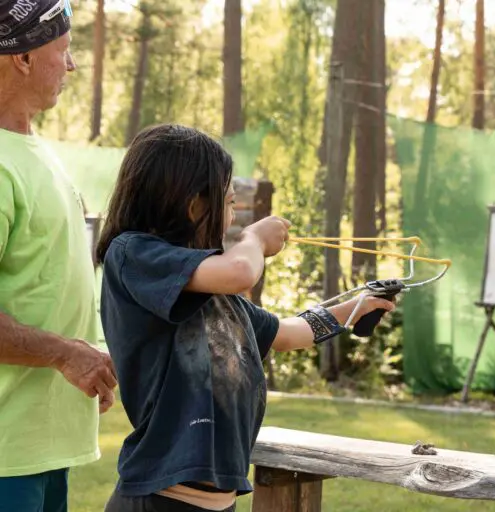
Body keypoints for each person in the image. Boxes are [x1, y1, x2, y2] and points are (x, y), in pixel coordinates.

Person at [96, 123, 395, 512]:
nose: (233, 214)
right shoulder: (133, 255)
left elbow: (288, 334)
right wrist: (252, 239)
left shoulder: (216, 296)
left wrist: (355, 308)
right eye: (230, 203)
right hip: (158, 502)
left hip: (215, 504)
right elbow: (240, 272)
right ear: (192, 204)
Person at [0, 0, 118, 510]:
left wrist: (87, 355)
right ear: (22, 58)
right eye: (63, 50)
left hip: (45, 446)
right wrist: (66, 353)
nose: (71, 66)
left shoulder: (39, 152)